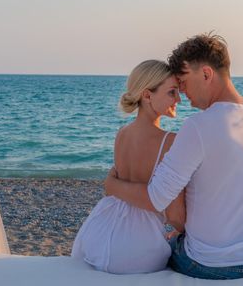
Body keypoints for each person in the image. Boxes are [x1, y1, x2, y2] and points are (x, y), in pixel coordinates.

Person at [104, 33, 243, 280]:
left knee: (165, 243)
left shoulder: (198, 127)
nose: (182, 92)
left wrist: (112, 185)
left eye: (184, 81)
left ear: (207, 74)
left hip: (211, 264)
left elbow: (157, 198)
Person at [71, 60, 185, 274]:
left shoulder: (122, 133)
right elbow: (176, 215)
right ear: (147, 95)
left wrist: (112, 184)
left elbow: (114, 186)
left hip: (100, 229)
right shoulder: (171, 141)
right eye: (172, 92)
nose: (179, 99)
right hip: (139, 244)